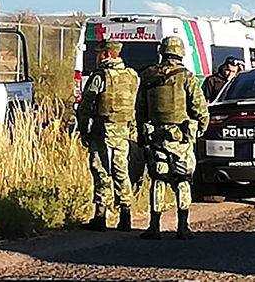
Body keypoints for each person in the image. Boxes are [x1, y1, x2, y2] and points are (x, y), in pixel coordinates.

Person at [137, 36, 209, 240]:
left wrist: (142, 134)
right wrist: (200, 128)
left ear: (162, 52)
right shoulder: (186, 77)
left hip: (156, 136)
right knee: (183, 180)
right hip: (181, 139)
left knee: (158, 178)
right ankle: (183, 226)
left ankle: (154, 226)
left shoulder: (148, 75)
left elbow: (140, 108)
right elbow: (199, 108)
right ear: (180, 53)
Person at [76, 40, 140, 232]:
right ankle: (125, 216)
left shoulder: (100, 76)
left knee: (101, 169)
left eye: (99, 53)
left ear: (105, 55)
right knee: (122, 171)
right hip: (124, 131)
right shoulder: (132, 75)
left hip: (102, 130)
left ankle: (100, 215)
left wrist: (83, 131)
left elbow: (86, 106)